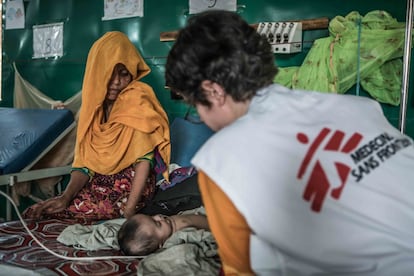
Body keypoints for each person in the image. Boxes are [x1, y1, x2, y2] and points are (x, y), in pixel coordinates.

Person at [164, 10, 414, 276]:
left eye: (195, 107)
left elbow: (242, 270)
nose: (202, 118)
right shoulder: (356, 107)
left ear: (214, 91)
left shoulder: (221, 161)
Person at [23, 31, 170, 221]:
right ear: (97, 72)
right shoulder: (92, 109)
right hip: (98, 185)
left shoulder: (137, 100)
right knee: (40, 211)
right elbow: (85, 166)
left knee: (58, 216)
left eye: (124, 74)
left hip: (132, 190)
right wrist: (65, 197)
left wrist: (129, 212)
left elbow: (144, 162)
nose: (116, 82)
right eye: (109, 74)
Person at [117, 212, 209, 256]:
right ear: (160, 244)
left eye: (151, 216)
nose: (158, 216)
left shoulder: (168, 224)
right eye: (158, 223)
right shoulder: (179, 237)